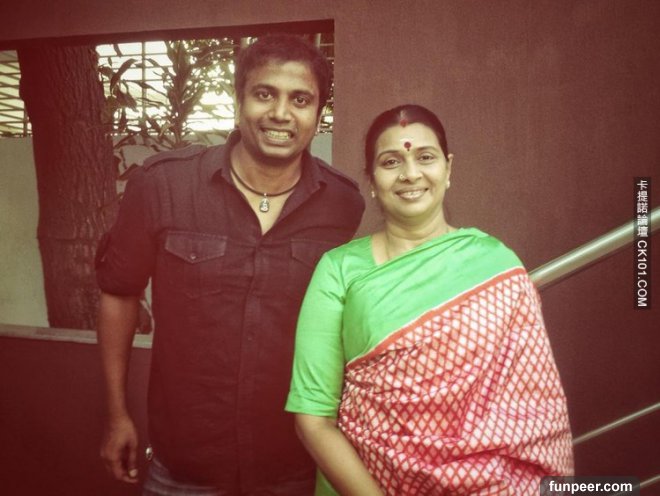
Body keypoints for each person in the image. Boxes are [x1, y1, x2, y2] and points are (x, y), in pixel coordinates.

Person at [96, 34, 365, 495]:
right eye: (265, 94)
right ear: (239, 102)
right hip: (184, 467)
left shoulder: (342, 205)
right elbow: (119, 294)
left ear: (319, 113)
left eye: (300, 99)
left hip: (292, 466)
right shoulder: (164, 186)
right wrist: (116, 414)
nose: (281, 113)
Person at [286, 104, 574, 495]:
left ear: (448, 168)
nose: (410, 173)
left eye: (425, 157)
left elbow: (532, 408)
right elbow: (314, 421)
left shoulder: (496, 264)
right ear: (372, 180)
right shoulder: (339, 270)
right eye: (391, 161)